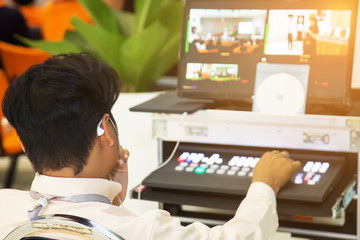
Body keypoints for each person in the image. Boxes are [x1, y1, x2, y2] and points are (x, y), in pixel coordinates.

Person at [0, 53, 301, 239]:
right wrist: (265, 183)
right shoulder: (148, 231)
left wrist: (110, 203)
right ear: (105, 130)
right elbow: (239, 237)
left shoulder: (5, 207)